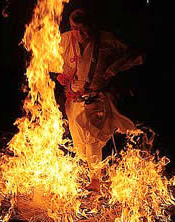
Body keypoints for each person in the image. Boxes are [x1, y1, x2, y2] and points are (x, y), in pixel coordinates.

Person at [56, 8, 144, 191]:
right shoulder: (64, 40)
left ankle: (96, 180)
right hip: (74, 101)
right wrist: (62, 74)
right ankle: (95, 173)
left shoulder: (106, 41)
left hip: (96, 100)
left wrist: (115, 68)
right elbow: (46, 56)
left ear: (92, 26)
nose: (79, 33)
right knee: (81, 146)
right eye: (74, 28)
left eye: (83, 29)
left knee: (92, 139)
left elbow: (134, 55)